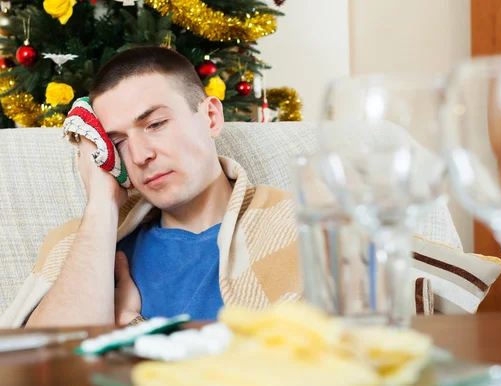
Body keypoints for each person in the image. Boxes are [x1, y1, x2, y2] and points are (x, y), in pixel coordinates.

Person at [12, 46, 301, 328]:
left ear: (211, 117)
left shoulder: (297, 227)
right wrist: (102, 203)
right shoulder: (81, 244)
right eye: (118, 143)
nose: (139, 156)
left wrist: (134, 327)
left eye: (156, 124)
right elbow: (43, 369)